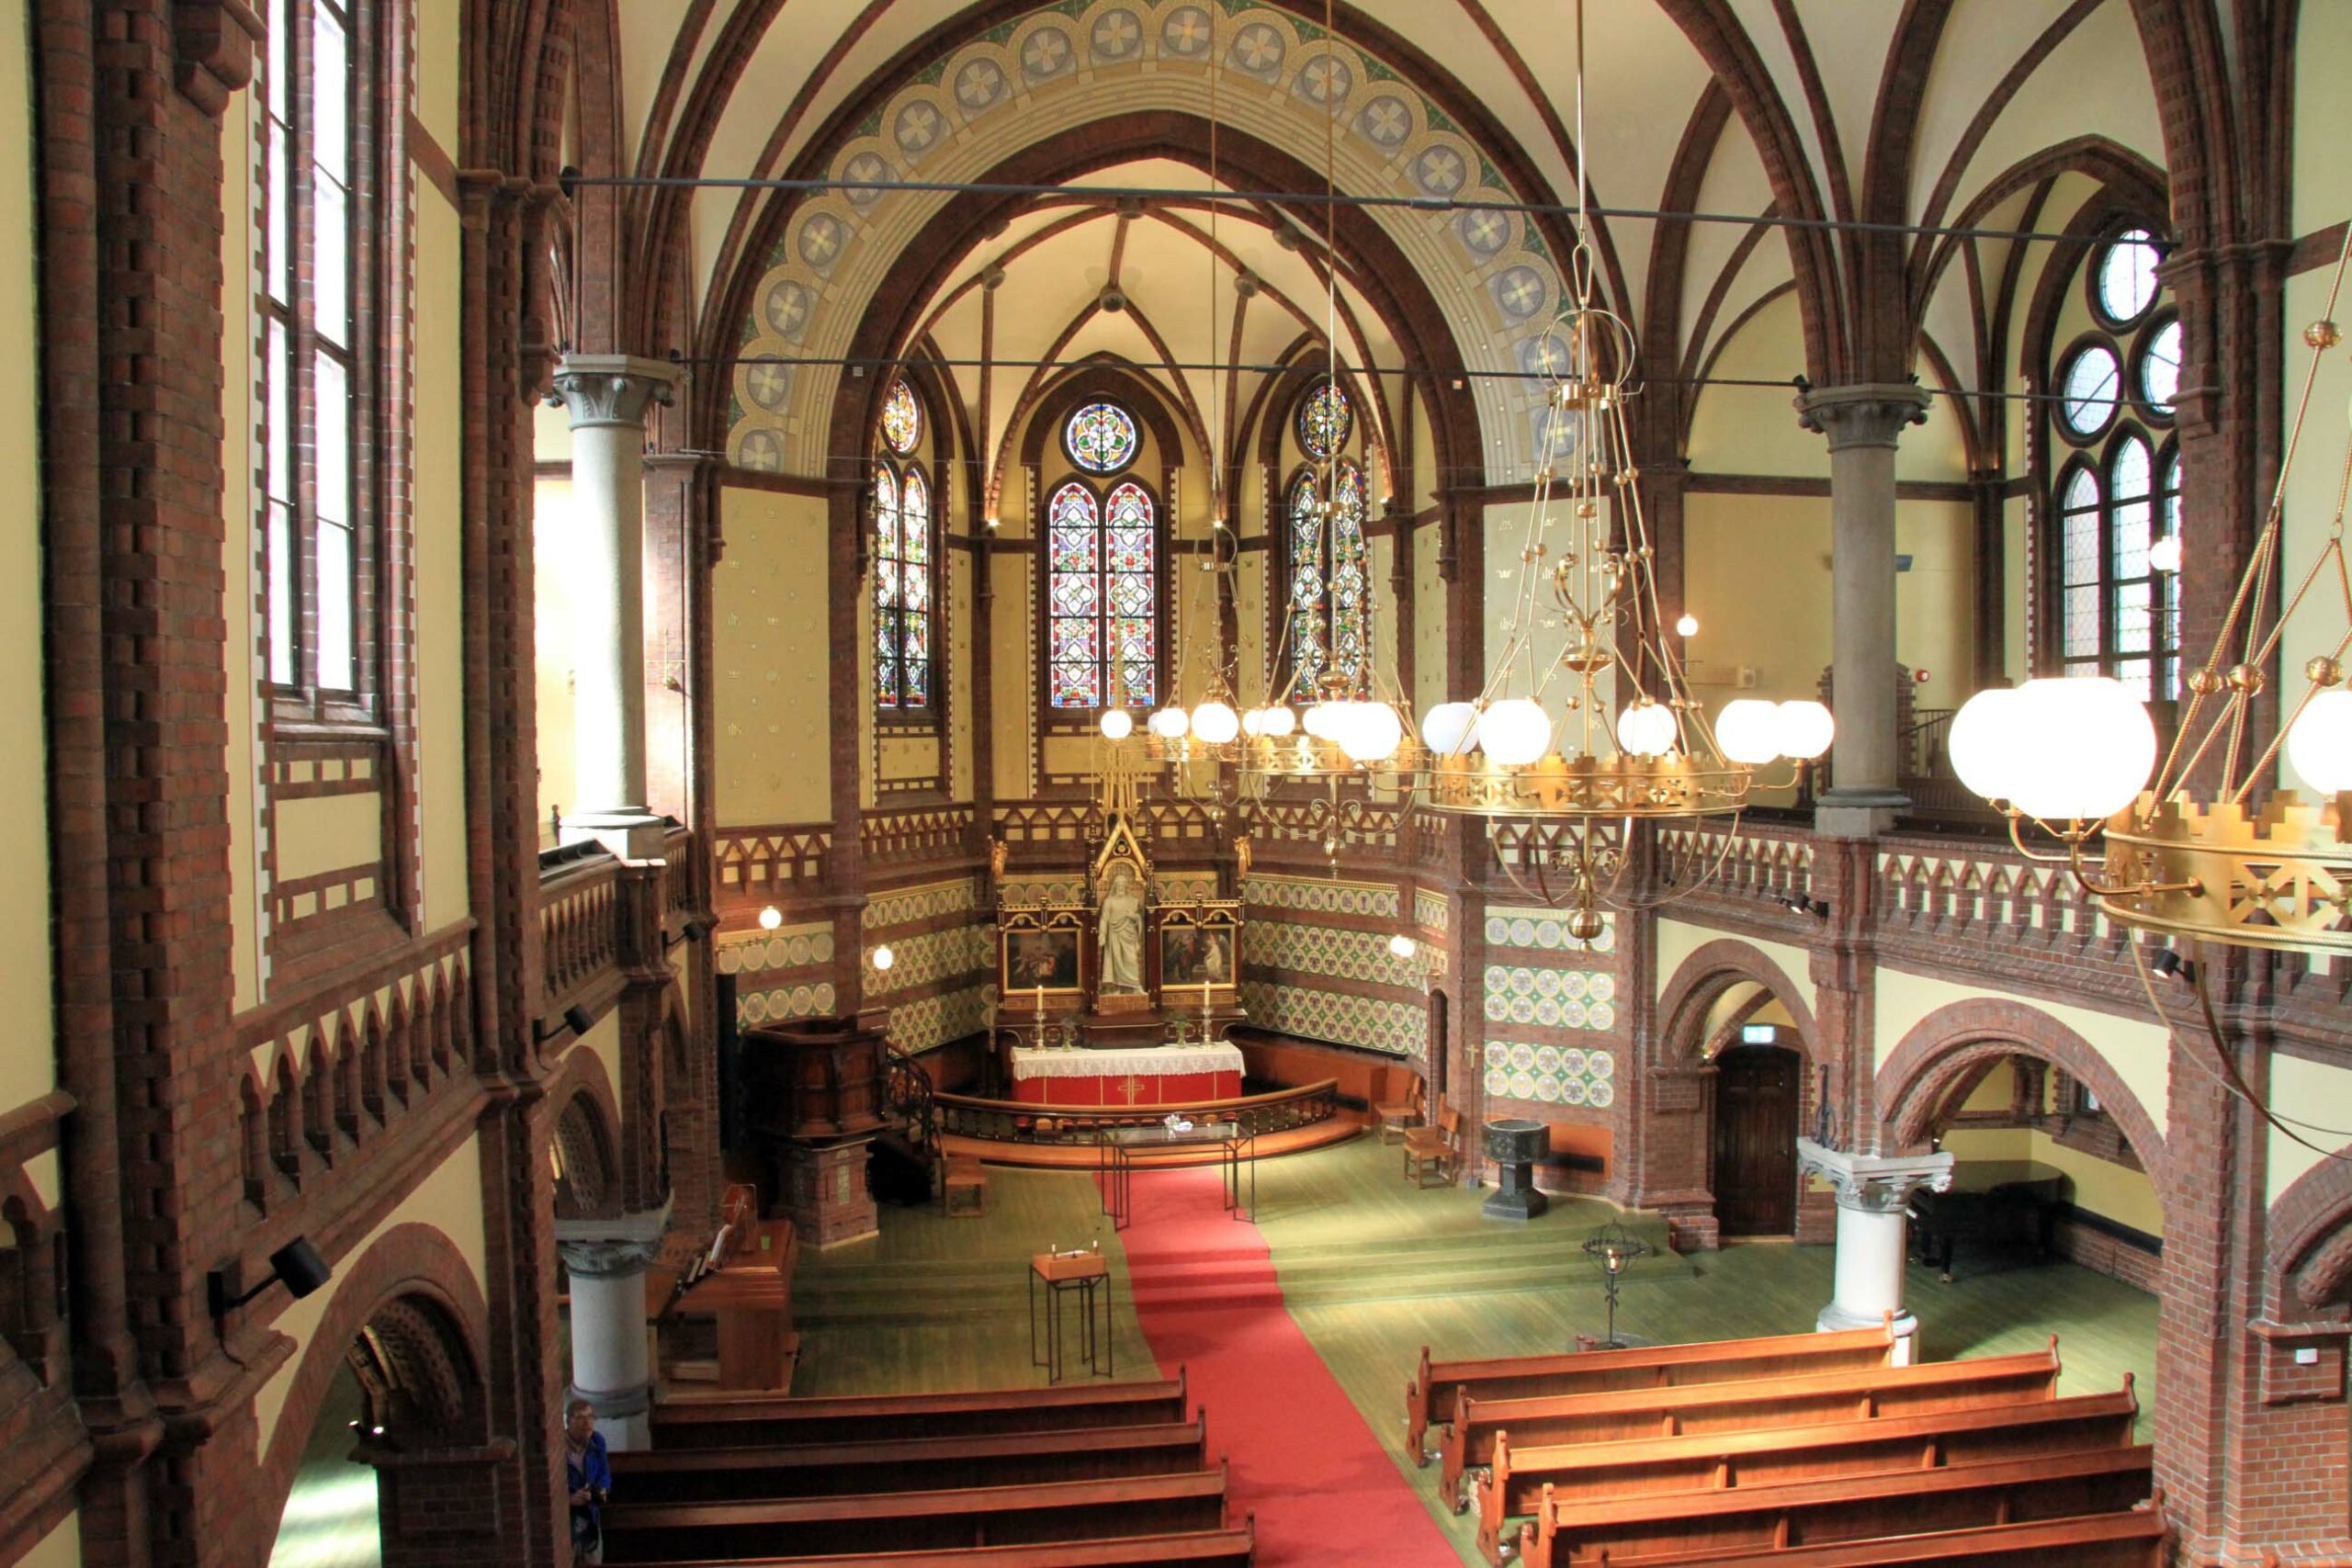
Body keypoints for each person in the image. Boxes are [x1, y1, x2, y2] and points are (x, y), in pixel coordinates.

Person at [564, 1398, 611, 1563]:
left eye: (591, 1417)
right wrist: (568, 1500)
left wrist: (594, 1495)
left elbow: (605, 1478)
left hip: (591, 1516)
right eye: (581, 1417)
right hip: (566, 1521)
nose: (588, 1423)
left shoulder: (597, 1441)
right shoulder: (558, 1446)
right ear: (569, 1421)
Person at [1097, 864, 1145, 994]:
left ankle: (1136, 986)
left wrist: (1133, 916)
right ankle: (1116, 987)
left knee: (1131, 960)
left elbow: (1138, 918)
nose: (1121, 888)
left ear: (1126, 887)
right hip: (1113, 935)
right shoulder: (1109, 901)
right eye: (1118, 886)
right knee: (1115, 962)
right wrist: (1102, 934)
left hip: (1129, 935)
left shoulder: (1133, 900)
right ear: (1115, 887)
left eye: (1123, 886)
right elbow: (1104, 919)